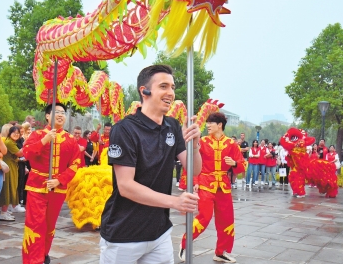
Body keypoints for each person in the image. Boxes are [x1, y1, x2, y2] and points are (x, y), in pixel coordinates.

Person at [99, 64, 202, 264]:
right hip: (123, 234)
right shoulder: (125, 130)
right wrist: (175, 202)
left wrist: (195, 146)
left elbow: (194, 169)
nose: (170, 93)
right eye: (163, 86)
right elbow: (126, 186)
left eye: (172, 87)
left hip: (159, 233)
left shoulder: (172, 125)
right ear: (144, 91)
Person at [179, 112, 245, 263]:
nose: (207, 125)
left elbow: (242, 164)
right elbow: (192, 162)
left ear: (220, 125)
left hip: (223, 187)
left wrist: (234, 164)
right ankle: (185, 245)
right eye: (207, 123)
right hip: (205, 184)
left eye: (211, 123)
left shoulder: (231, 144)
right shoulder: (202, 142)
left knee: (227, 221)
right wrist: (194, 181)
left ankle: (221, 252)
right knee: (204, 217)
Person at [22, 103, 81, 264]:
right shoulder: (38, 134)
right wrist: (45, 140)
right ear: (47, 116)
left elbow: (76, 163)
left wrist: (59, 180)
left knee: (49, 226)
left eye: (63, 112)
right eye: (56, 112)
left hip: (57, 188)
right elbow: (26, 153)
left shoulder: (70, 139)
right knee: (35, 225)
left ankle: (44, 254)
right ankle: (33, 260)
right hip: (36, 187)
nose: (61, 115)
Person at [0, 126, 25, 222]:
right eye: (14, 133)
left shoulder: (11, 142)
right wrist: (27, 144)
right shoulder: (9, 142)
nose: (16, 135)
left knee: (11, 188)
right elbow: (19, 153)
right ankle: (3, 213)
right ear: (9, 133)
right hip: (9, 168)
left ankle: (5, 211)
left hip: (12, 166)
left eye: (18, 133)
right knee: (8, 189)